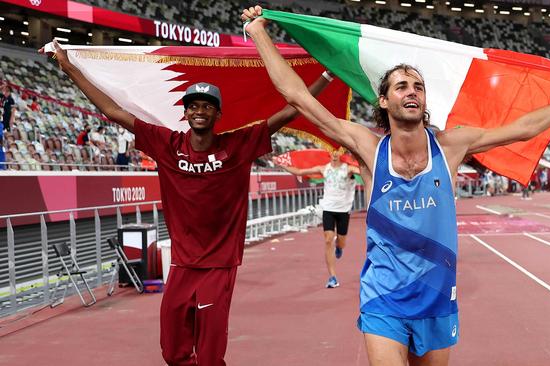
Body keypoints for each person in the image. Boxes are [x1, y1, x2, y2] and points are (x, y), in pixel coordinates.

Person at [242, 6, 550, 365]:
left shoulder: (450, 146)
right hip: (384, 297)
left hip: (436, 296)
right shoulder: (368, 148)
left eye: (418, 87)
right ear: (383, 100)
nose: (412, 92)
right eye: (401, 86)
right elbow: (298, 97)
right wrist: (258, 33)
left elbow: (522, 128)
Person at [43, 38, 335, 365]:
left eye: (207, 106)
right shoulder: (166, 144)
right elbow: (112, 111)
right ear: (185, 112)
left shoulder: (238, 145)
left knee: (209, 355)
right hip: (182, 264)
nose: (199, 111)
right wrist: (68, 67)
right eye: (193, 106)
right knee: (173, 351)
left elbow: (290, 110)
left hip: (219, 265)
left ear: (218, 113)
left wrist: (327, 76)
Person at [275, 149, 359, 288]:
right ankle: (333, 277)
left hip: (343, 210)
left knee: (341, 242)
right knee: (327, 240)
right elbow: (299, 172)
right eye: (332, 151)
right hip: (328, 209)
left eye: (337, 151)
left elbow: (363, 171)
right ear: (329, 154)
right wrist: (280, 163)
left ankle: (339, 246)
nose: (334, 154)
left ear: (341, 153)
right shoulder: (323, 168)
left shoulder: (348, 169)